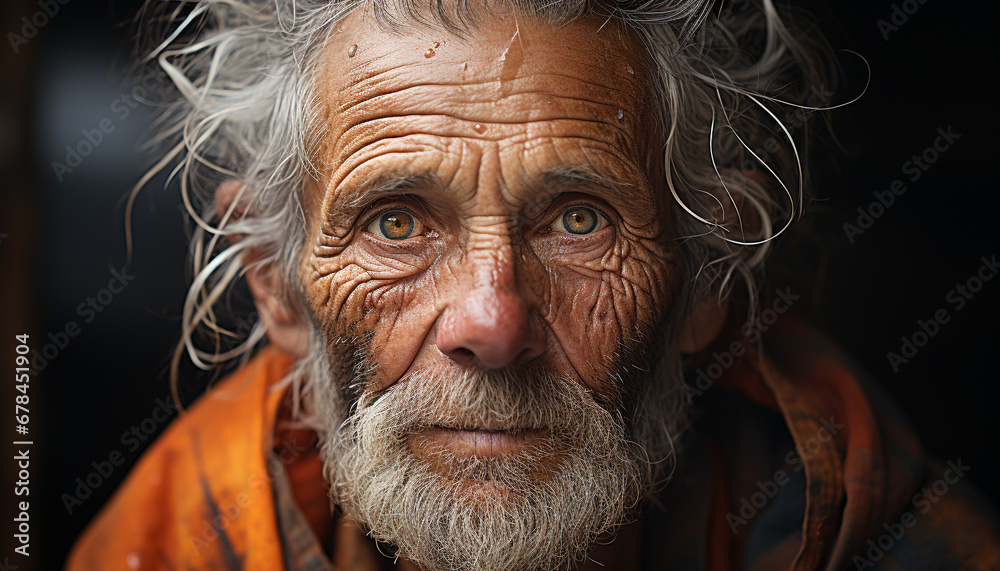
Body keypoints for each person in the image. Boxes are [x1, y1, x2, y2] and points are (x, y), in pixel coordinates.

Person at [68, 0, 1000, 569]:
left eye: (579, 218)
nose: (492, 320)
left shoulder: (863, 522)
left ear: (704, 279)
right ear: (276, 282)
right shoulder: (178, 539)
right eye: (396, 222)